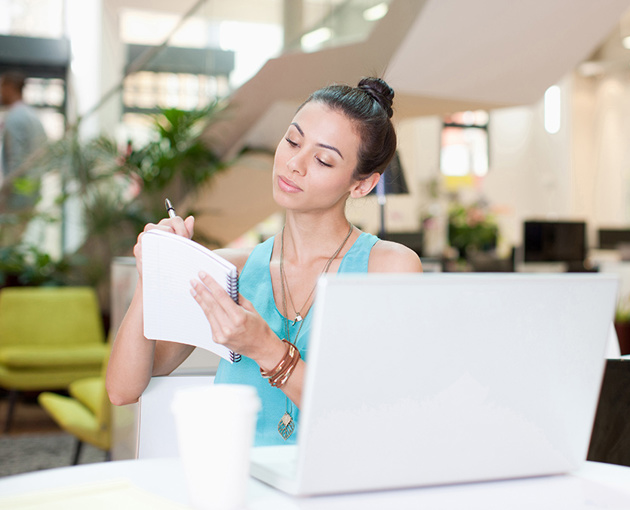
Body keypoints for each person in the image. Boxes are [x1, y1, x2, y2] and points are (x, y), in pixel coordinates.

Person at [106, 77, 423, 446]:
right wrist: (154, 273)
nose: (294, 164)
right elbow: (123, 389)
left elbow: (377, 415)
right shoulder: (229, 270)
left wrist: (264, 348)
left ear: (362, 184)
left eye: (323, 159)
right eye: (292, 140)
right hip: (236, 486)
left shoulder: (388, 268)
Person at [0, 71, 47, 185]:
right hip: (32, 186)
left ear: (10, 87)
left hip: (18, 191)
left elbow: (16, 161)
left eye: (1, 87)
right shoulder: (32, 115)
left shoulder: (15, 118)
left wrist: (5, 194)